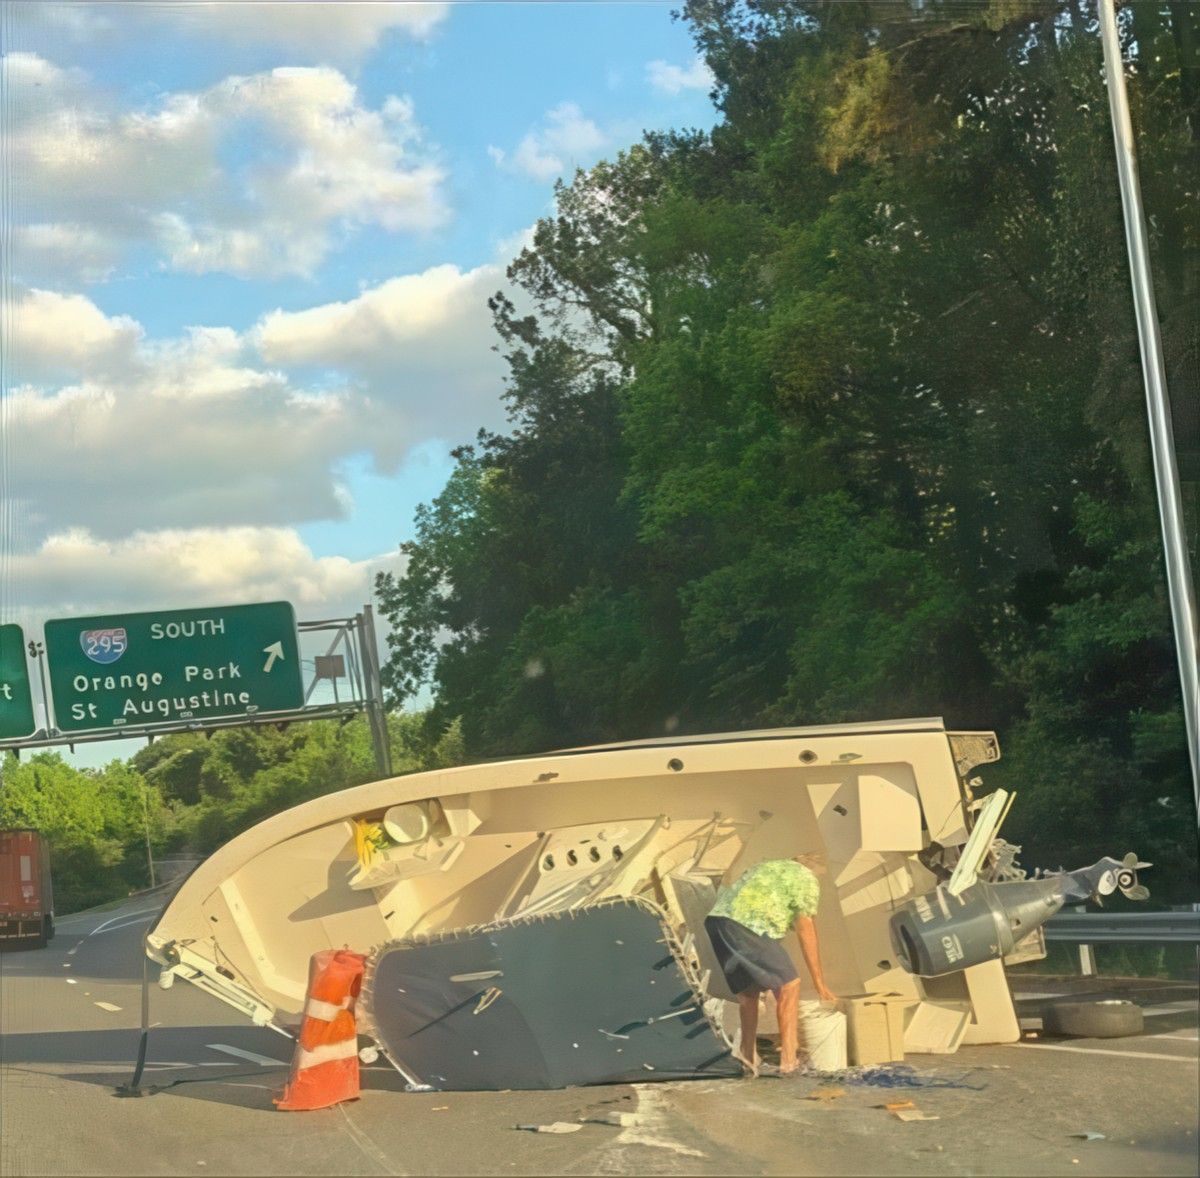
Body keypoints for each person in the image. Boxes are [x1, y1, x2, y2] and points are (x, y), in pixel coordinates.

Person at [704, 856, 836, 1075]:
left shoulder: (768, 866)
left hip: (718, 922)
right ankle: (788, 1061)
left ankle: (747, 1056)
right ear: (816, 870)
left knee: (749, 992)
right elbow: (806, 930)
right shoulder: (806, 878)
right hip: (748, 925)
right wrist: (820, 983)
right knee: (789, 984)